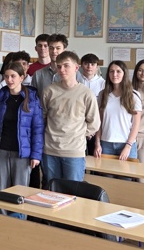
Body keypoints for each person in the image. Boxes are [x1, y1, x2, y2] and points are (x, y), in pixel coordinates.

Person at [0, 63, 44, 190]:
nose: (9, 80)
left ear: (22, 77)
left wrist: (36, 155)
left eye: (13, 76)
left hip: (22, 153)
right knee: (0, 189)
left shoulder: (32, 99)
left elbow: (37, 129)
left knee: (19, 191)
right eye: (6, 76)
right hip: (1, 151)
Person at [42, 50, 100, 182]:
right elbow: (42, 118)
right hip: (50, 150)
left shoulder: (86, 93)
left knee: (73, 189)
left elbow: (94, 122)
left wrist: (79, 134)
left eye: (66, 66)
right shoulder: (49, 91)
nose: (62, 70)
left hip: (74, 151)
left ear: (76, 68)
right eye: (59, 66)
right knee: (51, 188)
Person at [94, 60, 142, 160]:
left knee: (127, 171)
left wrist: (128, 146)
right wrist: (97, 143)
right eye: (111, 71)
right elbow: (99, 122)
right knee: (105, 171)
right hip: (106, 144)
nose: (114, 74)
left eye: (118, 71)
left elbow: (136, 125)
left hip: (126, 144)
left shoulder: (134, 96)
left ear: (124, 73)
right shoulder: (103, 95)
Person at [31, 33, 86, 101]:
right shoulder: (38, 74)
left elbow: (81, 95)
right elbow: (33, 99)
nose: (54, 51)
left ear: (64, 50)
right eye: (51, 48)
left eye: (58, 48)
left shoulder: (75, 74)